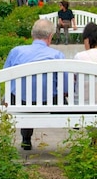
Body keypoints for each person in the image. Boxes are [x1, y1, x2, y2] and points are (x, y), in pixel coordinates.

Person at [4, 19, 65, 150]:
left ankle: (26, 139)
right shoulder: (57, 55)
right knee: (56, 95)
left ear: (32, 35)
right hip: (48, 103)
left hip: (19, 101)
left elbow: (5, 75)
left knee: (21, 93)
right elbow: (65, 85)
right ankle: (74, 124)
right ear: (50, 36)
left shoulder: (16, 51)